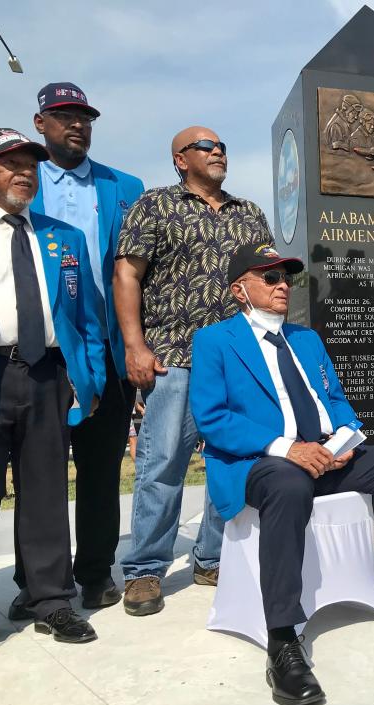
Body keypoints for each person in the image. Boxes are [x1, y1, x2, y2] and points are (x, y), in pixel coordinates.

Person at [190, 242, 374, 705]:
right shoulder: (215, 341)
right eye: (270, 277)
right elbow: (212, 418)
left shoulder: (306, 340)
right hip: (263, 462)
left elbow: (338, 402)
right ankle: (283, 640)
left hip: (326, 458)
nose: (283, 283)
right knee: (288, 485)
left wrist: (343, 441)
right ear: (239, 289)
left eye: (287, 276)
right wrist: (289, 449)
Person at [114, 126, 275, 615]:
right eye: (206, 146)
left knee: (233, 459)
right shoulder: (155, 204)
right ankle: (144, 570)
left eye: (222, 144)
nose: (218, 150)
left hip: (238, 360)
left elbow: (267, 282)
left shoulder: (249, 213)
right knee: (163, 464)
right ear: (181, 159)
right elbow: (127, 273)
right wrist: (134, 344)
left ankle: (211, 557)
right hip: (175, 356)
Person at [0, 128, 104, 645]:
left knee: (48, 494)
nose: (24, 172)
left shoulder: (62, 236)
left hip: (48, 377)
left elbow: (87, 319)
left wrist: (89, 378)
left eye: (30, 163)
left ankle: (50, 599)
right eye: (9, 162)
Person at [25, 82, 144, 611]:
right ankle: (38, 583)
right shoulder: (20, 181)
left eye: (84, 116)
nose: (77, 124)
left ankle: (95, 573)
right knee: (39, 474)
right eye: (63, 115)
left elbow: (142, 269)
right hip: (41, 352)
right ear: (40, 123)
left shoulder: (125, 186)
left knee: (100, 472)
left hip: (106, 353)